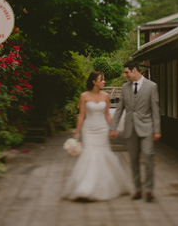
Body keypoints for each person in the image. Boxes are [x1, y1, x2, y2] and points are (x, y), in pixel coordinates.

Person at [62, 71, 132, 201]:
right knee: (89, 155)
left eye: (104, 79)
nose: (104, 82)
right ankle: (85, 188)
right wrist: (77, 133)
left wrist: (113, 128)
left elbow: (106, 115)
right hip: (89, 130)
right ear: (94, 81)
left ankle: (101, 186)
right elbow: (81, 116)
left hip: (102, 130)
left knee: (102, 154)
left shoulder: (105, 96)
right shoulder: (84, 96)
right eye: (101, 80)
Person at [109, 61, 161, 202]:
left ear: (134, 70)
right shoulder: (125, 87)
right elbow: (120, 109)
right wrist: (113, 128)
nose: (125, 75)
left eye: (126, 72)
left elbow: (155, 110)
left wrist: (157, 130)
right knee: (133, 160)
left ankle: (149, 190)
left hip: (147, 128)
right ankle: (138, 189)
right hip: (130, 129)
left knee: (148, 155)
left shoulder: (152, 86)